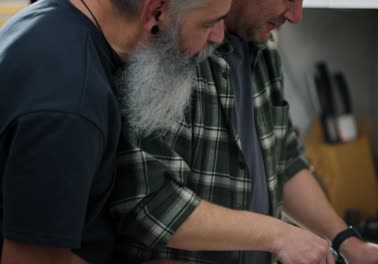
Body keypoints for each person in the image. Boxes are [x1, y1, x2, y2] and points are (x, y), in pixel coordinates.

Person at [110, 0, 378, 263]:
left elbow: (286, 161)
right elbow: (152, 206)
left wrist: (348, 242)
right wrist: (278, 235)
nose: (296, 15)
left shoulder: (266, 53)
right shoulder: (178, 48)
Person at [0, 0, 229, 263]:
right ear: (156, 12)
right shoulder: (72, 104)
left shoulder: (55, 19)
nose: (219, 37)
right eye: (209, 23)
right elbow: (31, 260)